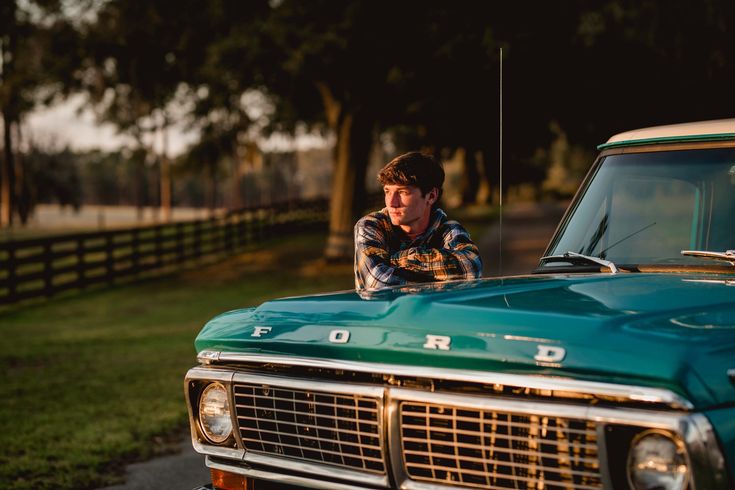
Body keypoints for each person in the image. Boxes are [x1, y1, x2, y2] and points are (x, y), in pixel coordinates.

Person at [354, 151, 483, 290]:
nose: (391, 202)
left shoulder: (448, 230)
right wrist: (439, 279)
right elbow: (378, 283)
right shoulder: (371, 225)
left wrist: (396, 260)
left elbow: (471, 268)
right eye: (387, 191)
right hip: (385, 312)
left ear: (431, 196)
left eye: (402, 192)